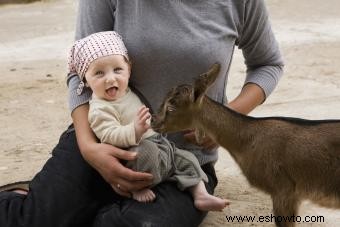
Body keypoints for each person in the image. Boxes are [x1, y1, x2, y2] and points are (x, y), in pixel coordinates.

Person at [0, 0, 284, 226]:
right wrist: (88, 148)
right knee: (34, 220)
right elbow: (79, 74)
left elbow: (268, 64)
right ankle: (29, 198)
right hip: (101, 142)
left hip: (180, 162)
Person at [68, 30, 228, 210]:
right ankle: (137, 189)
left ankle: (200, 194)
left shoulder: (126, 91)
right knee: (145, 154)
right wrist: (134, 130)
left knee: (187, 159)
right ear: (86, 81)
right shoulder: (99, 108)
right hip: (135, 151)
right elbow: (108, 134)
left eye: (117, 70)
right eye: (99, 73)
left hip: (160, 144)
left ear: (129, 69)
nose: (110, 78)